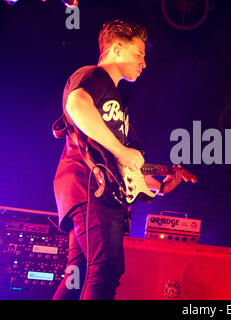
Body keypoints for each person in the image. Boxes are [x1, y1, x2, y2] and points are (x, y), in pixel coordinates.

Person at [52, 19, 184, 300]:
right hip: (89, 187)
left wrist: (158, 186)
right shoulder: (94, 76)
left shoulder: (116, 101)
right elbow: (76, 104)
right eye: (139, 54)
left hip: (85, 188)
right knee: (106, 269)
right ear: (118, 48)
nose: (144, 63)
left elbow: (120, 165)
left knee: (79, 272)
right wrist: (122, 150)